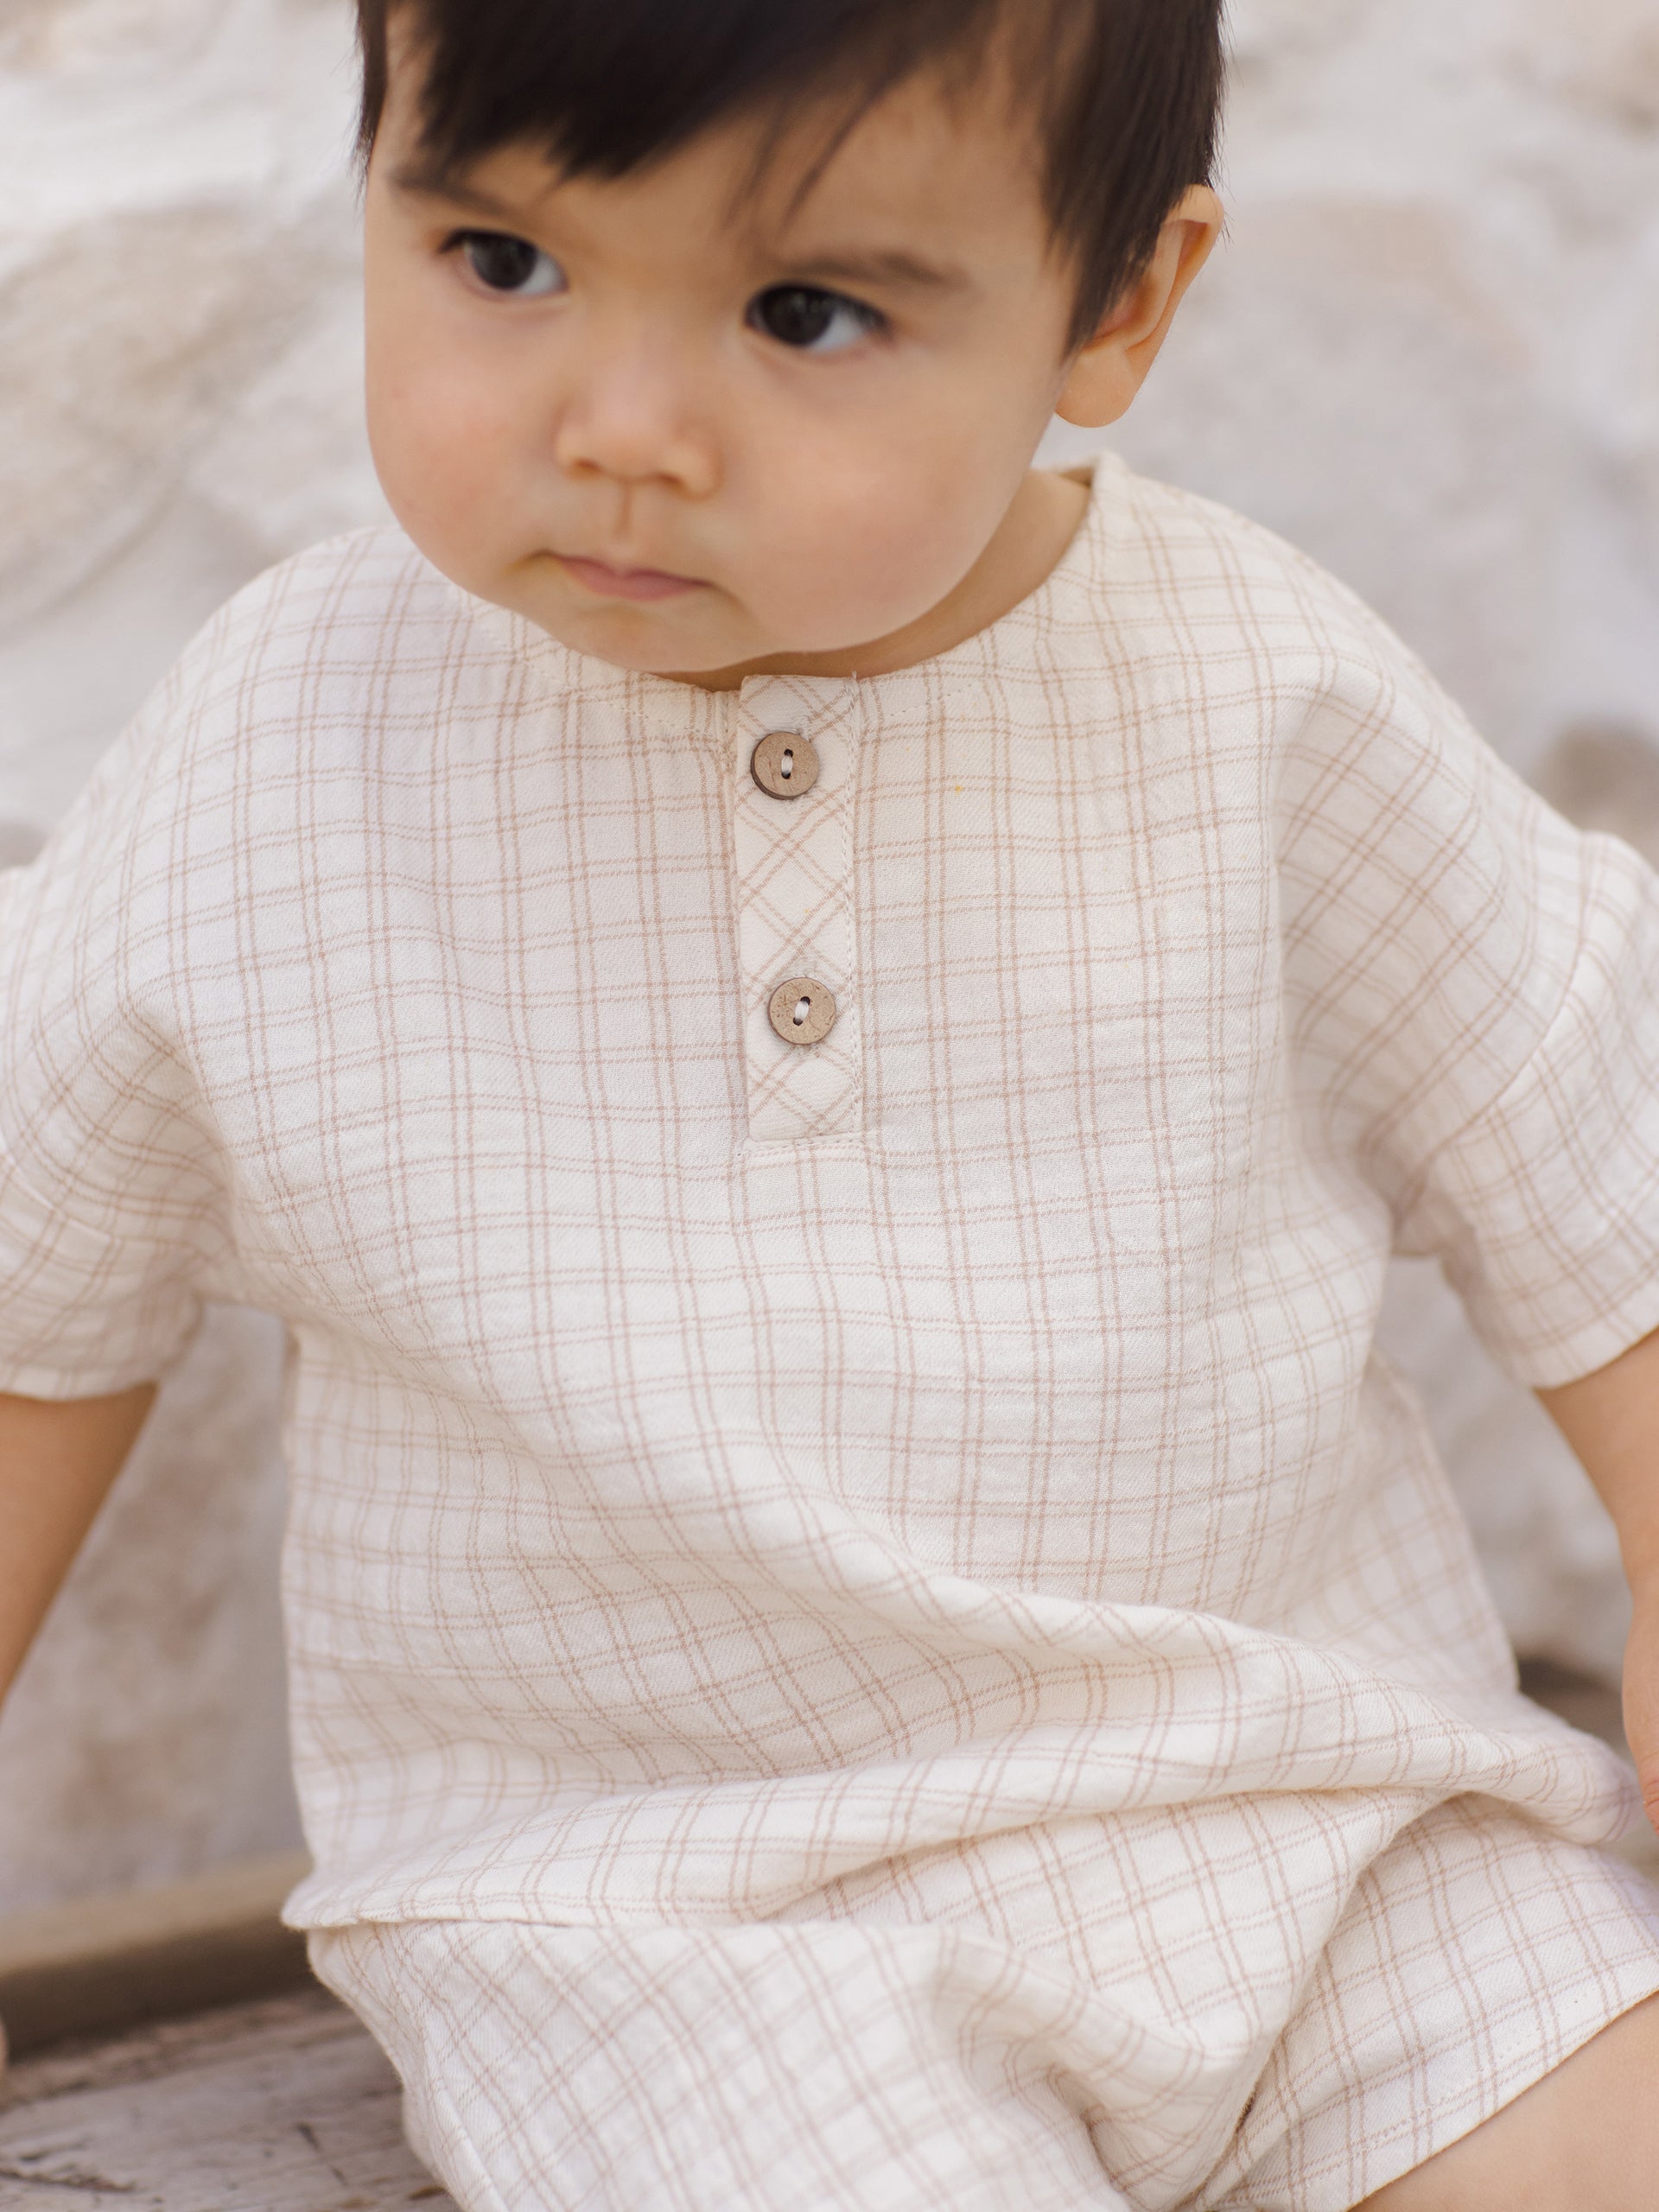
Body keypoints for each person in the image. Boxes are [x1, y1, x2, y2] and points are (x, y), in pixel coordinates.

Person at [3, 0, 1659, 2202]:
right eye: (503, 260)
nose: (625, 429)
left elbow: (1595, 1163)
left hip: (1314, 1812)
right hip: (673, 1929)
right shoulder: (278, 758)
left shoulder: (1258, 690)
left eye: (805, 311)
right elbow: (37, 1309)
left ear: (1119, 303)